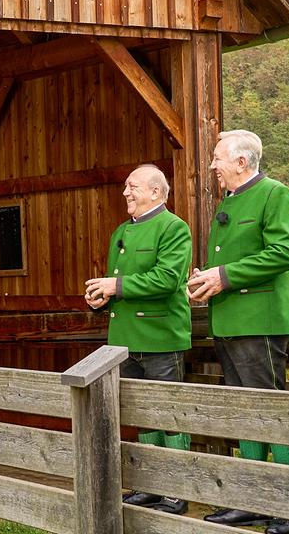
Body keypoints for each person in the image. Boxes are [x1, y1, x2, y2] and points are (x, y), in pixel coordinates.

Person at [186, 130, 289, 534]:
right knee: (244, 413)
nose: (213, 165)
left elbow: (288, 252)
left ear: (241, 162)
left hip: (261, 324)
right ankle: (251, 503)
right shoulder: (230, 201)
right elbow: (230, 264)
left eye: (218, 158)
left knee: (272, 412)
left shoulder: (275, 194)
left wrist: (226, 275)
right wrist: (207, 279)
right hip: (230, 324)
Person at [83, 164, 192, 515]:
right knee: (142, 416)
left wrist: (116, 286)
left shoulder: (174, 228)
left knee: (168, 416)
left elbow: (168, 279)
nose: (126, 192)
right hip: (125, 341)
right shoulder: (120, 231)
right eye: (126, 186)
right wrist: (102, 299)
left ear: (156, 193)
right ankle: (148, 486)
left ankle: (176, 490)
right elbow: (119, 284)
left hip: (161, 338)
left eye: (133, 187)